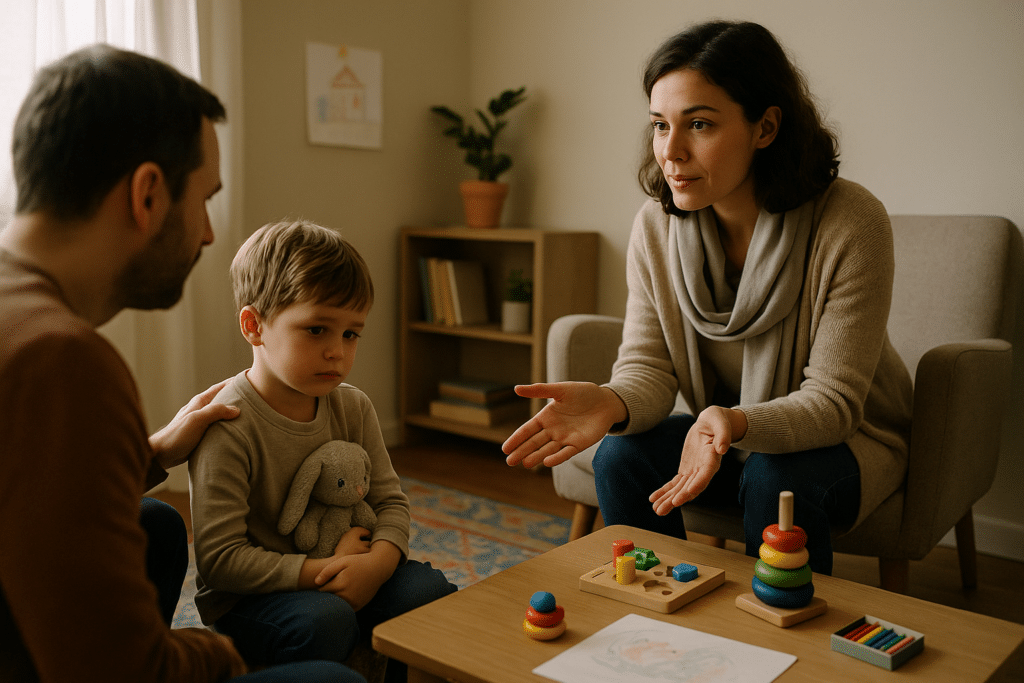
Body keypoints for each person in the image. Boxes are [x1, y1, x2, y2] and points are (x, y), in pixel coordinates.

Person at [503, 20, 913, 575]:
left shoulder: (850, 221)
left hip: (846, 444)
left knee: (775, 474)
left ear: (765, 127)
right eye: (659, 125)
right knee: (622, 455)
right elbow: (648, 366)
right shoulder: (655, 227)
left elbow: (835, 404)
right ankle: (658, 604)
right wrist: (612, 401)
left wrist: (732, 422)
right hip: (720, 431)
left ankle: (785, 634)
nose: (670, 151)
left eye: (699, 124)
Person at [0, 44, 349, 682]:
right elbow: (115, 669)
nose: (211, 232)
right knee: (334, 680)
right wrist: (225, 656)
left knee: (155, 524)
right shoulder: (60, 360)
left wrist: (154, 452)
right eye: (205, 199)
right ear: (149, 195)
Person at [188, 219, 457, 681]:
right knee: (325, 621)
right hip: (255, 599)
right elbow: (222, 560)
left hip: (349, 565)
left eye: (351, 334)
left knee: (429, 592)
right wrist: (325, 570)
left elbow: (390, 502)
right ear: (254, 326)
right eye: (317, 330)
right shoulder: (226, 423)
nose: (337, 351)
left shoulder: (352, 406)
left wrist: (378, 563)